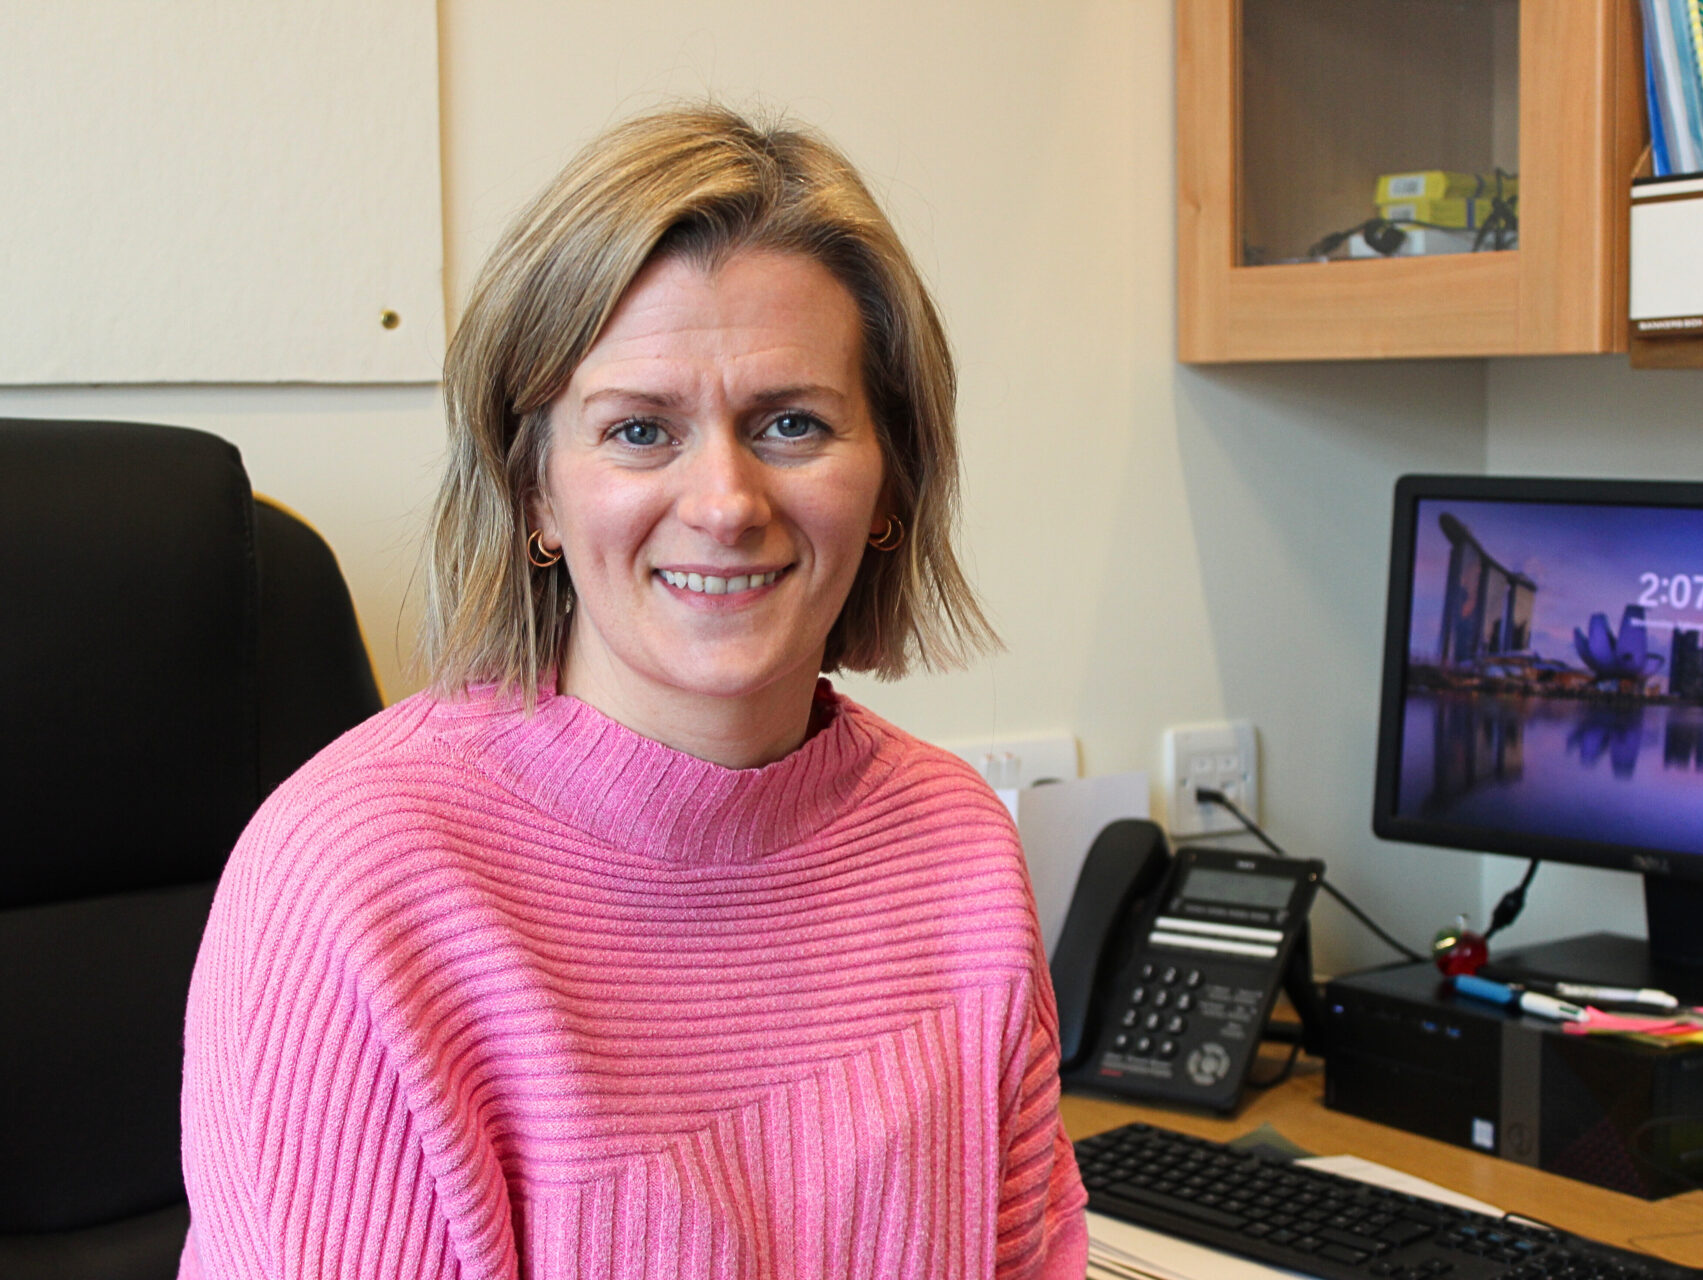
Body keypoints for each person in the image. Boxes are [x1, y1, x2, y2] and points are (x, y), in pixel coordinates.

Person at [179, 104, 1087, 1279]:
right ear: (537, 494)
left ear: (892, 481)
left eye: (793, 422)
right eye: (641, 430)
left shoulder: (953, 844)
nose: (724, 499)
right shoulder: (352, 879)